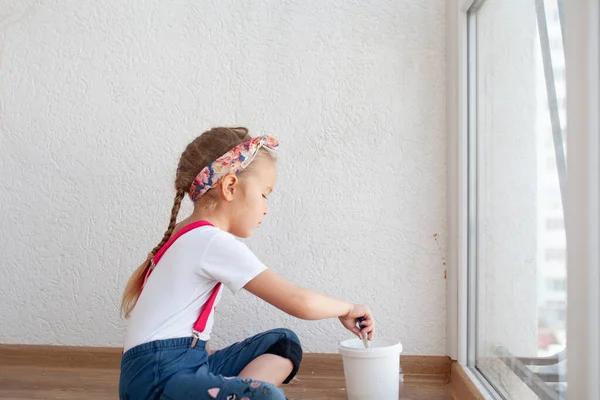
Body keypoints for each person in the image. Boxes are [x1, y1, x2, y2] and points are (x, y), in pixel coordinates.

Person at [119, 127, 375, 400]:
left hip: (176, 368)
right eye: (264, 194)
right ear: (230, 187)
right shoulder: (210, 241)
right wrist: (348, 308)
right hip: (158, 381)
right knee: (267, 396)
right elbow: (298, 301)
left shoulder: (189, 232)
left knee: (283, 341)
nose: (266, 207)